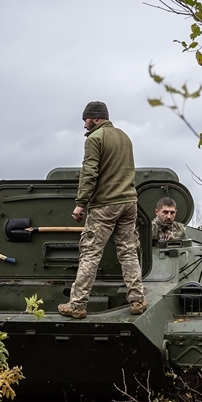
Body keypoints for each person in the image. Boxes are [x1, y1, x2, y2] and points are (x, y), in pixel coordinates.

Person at [58, 101, 146, 319]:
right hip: (129, 202)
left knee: (90, 253)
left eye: (85, 120)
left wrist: (81, 203)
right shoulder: (124, 137)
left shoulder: (95, 139)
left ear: (95, 118)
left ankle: (77, 305)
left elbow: (89, 173)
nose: (84, 125)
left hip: (105, 205)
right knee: (128, 251)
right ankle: (137, 300)